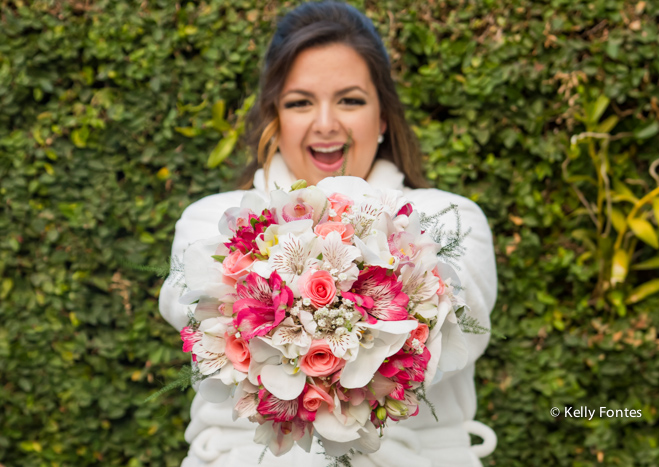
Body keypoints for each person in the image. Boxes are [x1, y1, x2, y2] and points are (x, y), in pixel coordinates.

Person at [159, 2, 497, 465]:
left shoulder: (448, 218)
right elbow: (189, 309)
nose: (325, 123)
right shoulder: (213, 221)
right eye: (300, 102)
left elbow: (462, 321)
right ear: (275, 118)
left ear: (382, 118)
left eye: (350, 100)